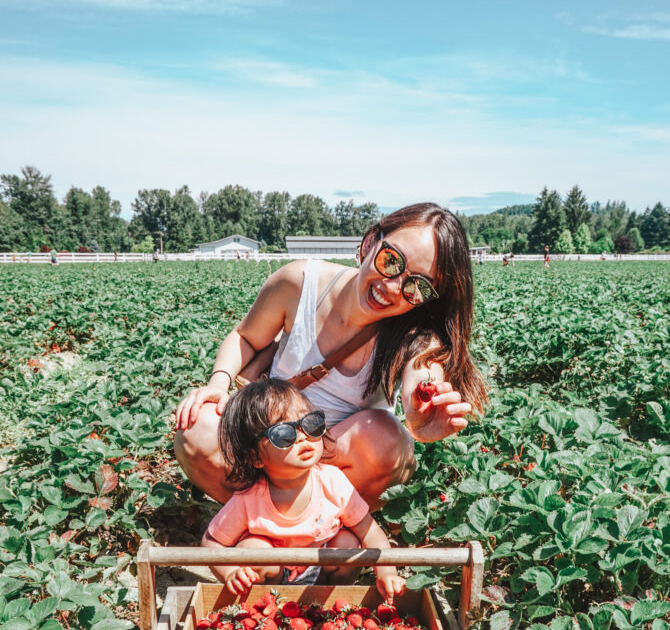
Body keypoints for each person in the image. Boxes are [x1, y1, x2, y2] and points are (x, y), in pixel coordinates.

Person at [175, 202, 486, 510]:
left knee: (390, 443)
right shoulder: (299, 283)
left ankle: (322, 527)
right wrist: (218, 385)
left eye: (416, 286)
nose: (392, 287)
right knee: (195, 429)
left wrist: (420, 420)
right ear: (370, 242)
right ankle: (259, 518)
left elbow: (422, 381)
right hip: (267, 443)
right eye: (391, 261)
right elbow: (245, 336)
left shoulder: (417, 337)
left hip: (337, 466)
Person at [201, 378, 406, 599]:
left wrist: (386, 572)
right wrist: (230, 572)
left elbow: (370, 531)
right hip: (272, 581)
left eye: (310, 423)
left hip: (322, 571)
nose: (302, 437)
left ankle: (332, 601)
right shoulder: (249, 499)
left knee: (348, 543)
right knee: (253, 549)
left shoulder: (332, 481)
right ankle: (266, 605)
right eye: (283, 434)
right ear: (255, 457)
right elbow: (212, 542)